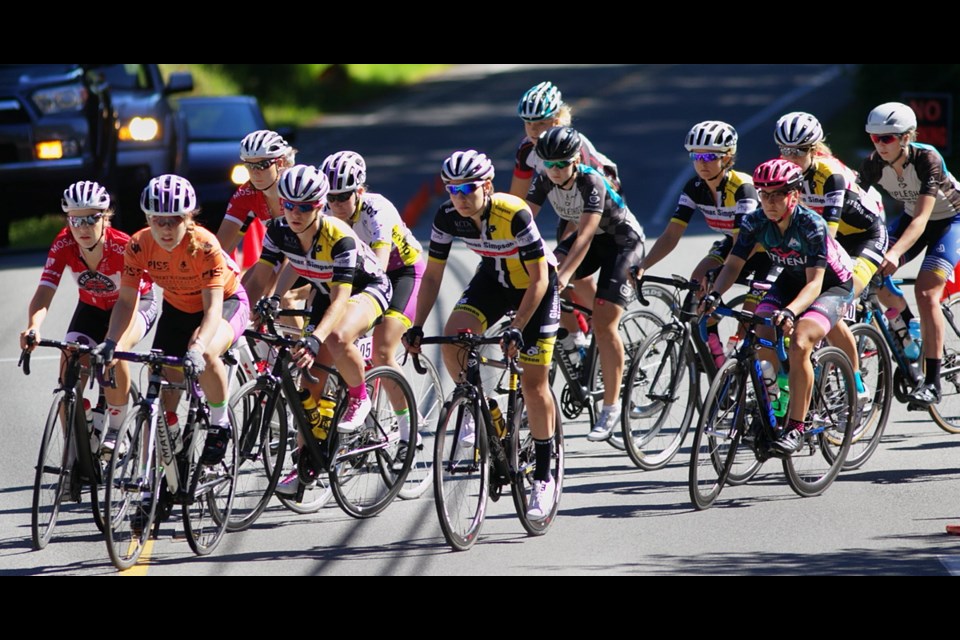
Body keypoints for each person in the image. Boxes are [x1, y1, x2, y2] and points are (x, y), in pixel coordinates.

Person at [403, 150, 560, 520]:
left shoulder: (514, 213)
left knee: (534, 383)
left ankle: (543, 476)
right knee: (454, 337)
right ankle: (478, 408)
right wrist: (417, 325)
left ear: (487, 186)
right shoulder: (446, 217)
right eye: (450, 188)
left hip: (536, 289)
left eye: (466, 188)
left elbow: (539, 279)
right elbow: (433, 275)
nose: (458, 195)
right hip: (493, 282)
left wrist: (518, 328)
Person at [242, 165, 393, 496]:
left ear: (320, 205)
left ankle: (359, 397)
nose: (295, 213)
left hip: (365, 290)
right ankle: (305, 466)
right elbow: (257, 278)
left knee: (337, 336)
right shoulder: (280, 231)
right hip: (328, 293)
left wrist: (314, 338)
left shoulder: (338, 237)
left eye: (305, 206)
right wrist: (239, 319)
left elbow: (340, 301)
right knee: (309, 387)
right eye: (288, 205)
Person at [702, 159, 859, 454]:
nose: (770, 202)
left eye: (777, 194)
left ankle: (796, 428)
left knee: (800, 340)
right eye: (764, 194)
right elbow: (734, 264)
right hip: (790, 279)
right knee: (760, 328)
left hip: (830, 285)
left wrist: (790, 312)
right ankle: (775, 400)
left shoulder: (811, 224)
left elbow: (814, 284)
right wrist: (714, 295)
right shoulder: (755, 221)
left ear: (794, 195)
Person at [95, 174, 249, 467]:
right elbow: (127, 301)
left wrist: (198, 344)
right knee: (163, 396)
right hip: (177, 308)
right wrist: (111, 342)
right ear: (148, 218)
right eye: (157, 220)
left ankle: (220, 423)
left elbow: (213, 308)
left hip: (225, 304)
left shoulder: (205, 245)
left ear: (188, 218)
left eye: (174, 220)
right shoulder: (138, 245)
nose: (165, 228)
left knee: (203, 352)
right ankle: (164, 473)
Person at [525, 126, 645, 442]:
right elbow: (522, 222)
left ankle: (611, 405)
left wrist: (564, 276)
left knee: (604, 322)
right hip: (590, 242)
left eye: (561, 164)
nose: (554, 171)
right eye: (547, 164)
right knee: (540, 279)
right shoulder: (543, 179)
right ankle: (574, 341)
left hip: (621, 242)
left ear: (576, 159)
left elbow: (586, 234)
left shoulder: (590, 181)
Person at [20, 181, 157, 456]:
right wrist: (33, 326)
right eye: (75, 219)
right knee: (69, 363)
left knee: (115, 351)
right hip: (92, 307)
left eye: (91, 218)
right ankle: (73, 445)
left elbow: (127, 302)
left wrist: (111, 340)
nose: (82, 227)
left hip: (134, 305)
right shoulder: (64, 244)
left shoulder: (122, 248)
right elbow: (45, 290)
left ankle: (116, 429)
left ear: (105, 217)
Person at [636, 120, 774, 372]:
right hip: (734, 245)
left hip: (764, 251)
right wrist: (642, 266)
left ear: (728, 157)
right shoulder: (695, 187)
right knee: (698, 279)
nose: (702, 162)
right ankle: (716, 354)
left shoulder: (742, 188)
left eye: (710, 156)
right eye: (696, 156)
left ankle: (752, 367)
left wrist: (719, 281)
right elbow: (671, 235)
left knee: (750, 316)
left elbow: (744, 243)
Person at [319, 150, 426, 465]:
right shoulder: (326, 213)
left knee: (381, 350)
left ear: (360, 192)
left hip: (400, 272)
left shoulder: (377, 209)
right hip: (359, 275)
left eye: (342, 197)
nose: (335, 204)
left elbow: (378, 268)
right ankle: (365, 419)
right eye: (330, 197)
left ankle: (410, 430)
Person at [858, 102, 960, 408]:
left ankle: (933, 383)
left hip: (949, 221)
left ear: (907, 136)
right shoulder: (874, 163)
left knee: (926, 291)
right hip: (909, 218)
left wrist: (895, 253)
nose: (880, 145)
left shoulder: (927, 158)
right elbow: (852, 209)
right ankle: (907, 330)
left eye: (887, 138)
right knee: (868, 273)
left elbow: (921, 219)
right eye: (875, 138)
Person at [774, 111, 887, 297]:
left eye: (799, 150)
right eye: (786, 150)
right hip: (833, 236)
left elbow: (828, 234)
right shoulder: (781, 172)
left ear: (813, 148)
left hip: (866, 234)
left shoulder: (830, 174)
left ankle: (902, 321)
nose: (792, 157)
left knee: (843, 295)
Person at [216, 129, 296, 263]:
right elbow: (220, 249)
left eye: (262, 165)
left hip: (319, 253)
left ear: (280, 163)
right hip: (286, 251)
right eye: (249, 165)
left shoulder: (296, 189)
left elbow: (299, 254)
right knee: (250, 283)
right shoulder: (247, 192)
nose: (255, 173)